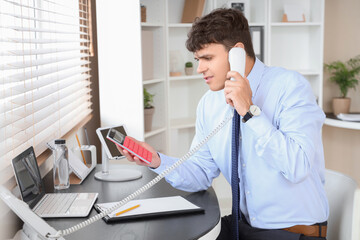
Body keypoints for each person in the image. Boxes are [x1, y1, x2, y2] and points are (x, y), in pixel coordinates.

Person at [119, 8, 329, 240]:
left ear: (237, 53)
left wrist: (249, 112)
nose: (200, 69)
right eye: (197, 60)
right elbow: (200, 172)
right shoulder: (210, 104)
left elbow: (297, 166)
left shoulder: (290, 87)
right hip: (243, 226)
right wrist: (157, 160)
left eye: (208, 58)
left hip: (292, 232)